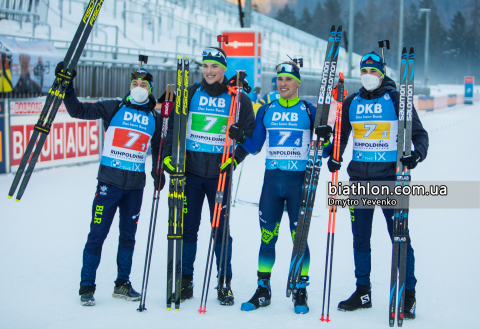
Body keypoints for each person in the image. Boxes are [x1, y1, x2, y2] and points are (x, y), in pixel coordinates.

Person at [57, 62, 166, 306]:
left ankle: (122, 283)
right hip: (109, 184)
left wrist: (157, 172)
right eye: (135, 84)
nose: (138, 88)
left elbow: (158, 148)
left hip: (135, 188)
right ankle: (87, 286)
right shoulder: (113, 106)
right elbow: (78, 111)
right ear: (130, 86)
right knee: (97, 234)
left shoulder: (154, 118)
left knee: (128, 236)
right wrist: (67, 88)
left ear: (149, 89)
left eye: (143, 85)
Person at [330, 52, 428, 319]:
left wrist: (416, 154)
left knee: (399, 237)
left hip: (390, 180)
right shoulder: (352, 101)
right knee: (360, 238)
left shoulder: (396, 99)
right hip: (359, 181)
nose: (369, 76)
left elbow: (420, 134)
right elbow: (340, 138)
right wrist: (333, 155)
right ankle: (363, 291)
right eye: (365, 72)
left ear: (382, 74)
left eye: (374, 72)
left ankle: (408, 295)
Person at [229, 61, 332, 314]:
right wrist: (240, 136)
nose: (283, 83)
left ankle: (300, 289)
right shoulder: (266, 110)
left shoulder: (310, 110)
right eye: (279, 79)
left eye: (288, 79)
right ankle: (263, 289)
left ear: (298, 82)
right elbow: (254, 146)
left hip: (299, 183)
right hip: (272, 183)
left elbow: (326, 152)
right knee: (267, 239)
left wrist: (326, 137)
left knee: (300, 239)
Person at [162, 47, 255, 306]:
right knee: (187, 228)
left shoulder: (238, 98)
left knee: (220, 230)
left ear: (224, 69)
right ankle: (186, 280)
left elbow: (250, 130)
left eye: (215, 66)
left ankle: (224, 282)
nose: (209, 71)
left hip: (219, 174)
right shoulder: (191, 93)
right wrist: (170, 155)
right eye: (205, 66)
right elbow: (174, 127)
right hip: (190, 173)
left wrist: (236, 156)